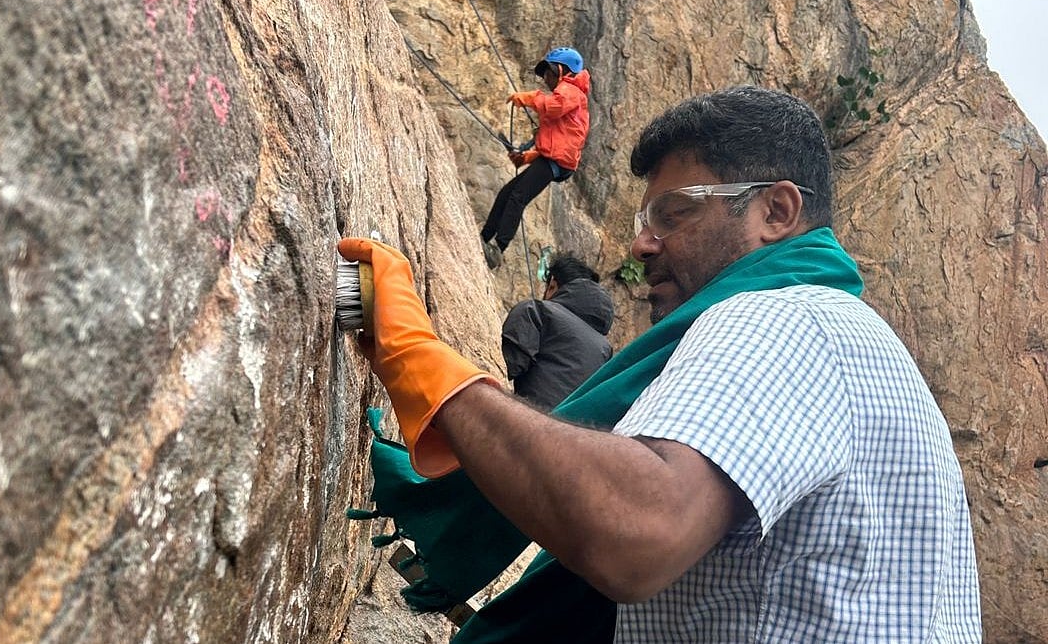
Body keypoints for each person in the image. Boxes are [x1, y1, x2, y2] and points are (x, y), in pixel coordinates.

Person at [338, 85, 981, 641]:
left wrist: (424, 365)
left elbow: (636, 532)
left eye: (675, 212)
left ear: (776, 212)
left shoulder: (783, 316)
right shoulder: (849, 337)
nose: (642, 242)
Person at [480, 47, 592, 269]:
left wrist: (529, 98)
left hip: (556, 163)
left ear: (562, 71)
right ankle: (484, 238)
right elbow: (556, 140)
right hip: (551, 160)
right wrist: (529, 156)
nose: (546, 79)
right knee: (507, 193)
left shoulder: (571, 92)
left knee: (517, 197)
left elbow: (553, 107)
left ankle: (497, 249)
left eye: (549, 73)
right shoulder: (568, 94)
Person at [502, 253, 613, 410]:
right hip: (574, 431)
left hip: (528, 422)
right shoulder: (605, 349)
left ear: (553, 284)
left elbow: (507, 364)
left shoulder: (536, 310)